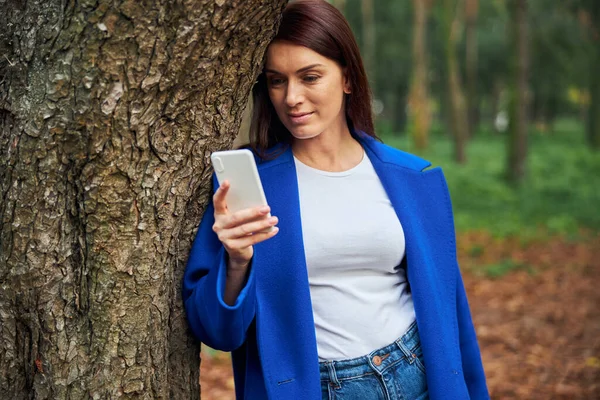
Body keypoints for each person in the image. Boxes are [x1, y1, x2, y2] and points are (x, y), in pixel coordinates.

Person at [183, 0, 489, 399]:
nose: (292, 97)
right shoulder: (246, 185)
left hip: (417, 376)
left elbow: (452, 316)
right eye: (277, 80)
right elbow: (217, 332)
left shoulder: (417, 180)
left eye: (310, 77)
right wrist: (237, 262)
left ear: (347, 77)